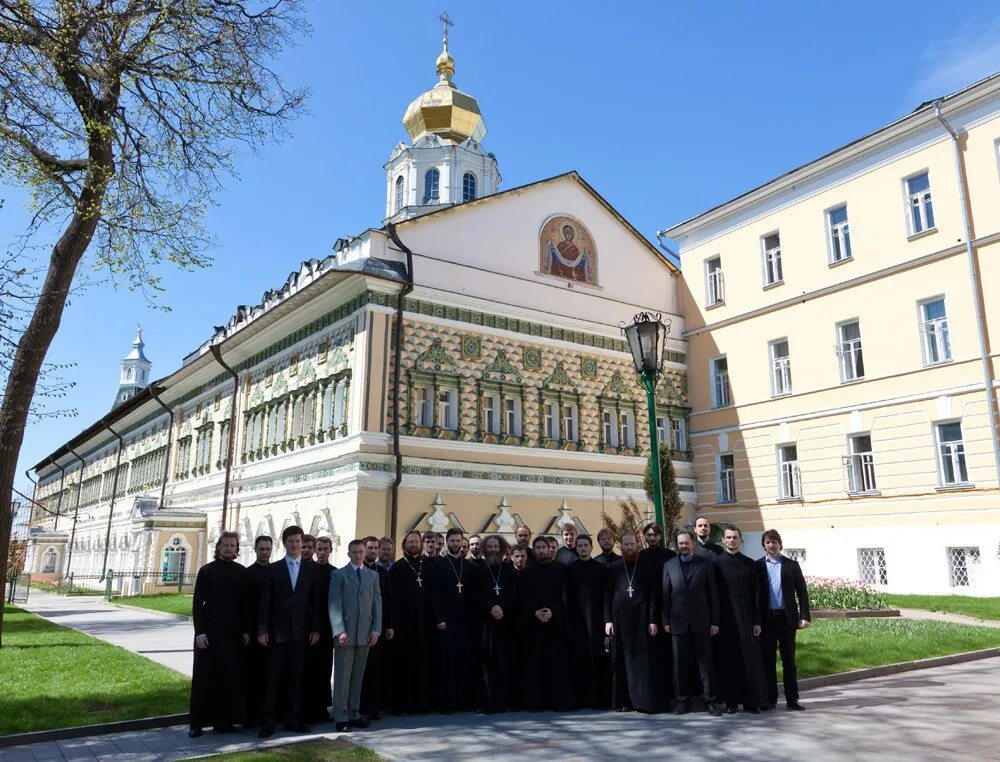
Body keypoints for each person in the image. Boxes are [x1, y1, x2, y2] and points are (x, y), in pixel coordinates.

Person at [256, 525, 322, 738]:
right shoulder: (272, 569)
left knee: (296, 678)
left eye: (298, 541)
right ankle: (269, 721)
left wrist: (316, 628)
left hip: (301, 634)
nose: (295, 545)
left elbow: (316, 602)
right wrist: (262, 629)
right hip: (277, 633)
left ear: (302, 543)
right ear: (284, 543)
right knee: (273, 678)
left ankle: (293, 720)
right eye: (291, 541)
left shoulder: (311, 569)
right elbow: (264, 602)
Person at [189, 531, 247, 737]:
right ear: (218, 547)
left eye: (233, 545)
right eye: (226, 545)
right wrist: (200, 632)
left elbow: (245, 605)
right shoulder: (207, 571)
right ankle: (196, 723)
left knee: (228, 677)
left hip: (232, 634)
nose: (229, 548)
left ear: (237, 549)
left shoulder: (242, 572)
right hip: (209, 634)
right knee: (204, 677)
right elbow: (197, 603)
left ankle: (224, 721)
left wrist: (246, 631)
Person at [662, 530, 721, 716]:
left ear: (693, 543)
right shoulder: (669, 565)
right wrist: (665, 620)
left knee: (706, 665)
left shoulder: (705, 564)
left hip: (702, 623)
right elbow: (665, 595)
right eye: (680, 543)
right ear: (676, 545)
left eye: (687, 543)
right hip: (678, 624)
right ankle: (682, 701)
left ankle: (709, 701)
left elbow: (713, 594)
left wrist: (715, 621)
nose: (683, 546)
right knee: (680, 666)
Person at [604, 531, 662, 713]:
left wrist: (653, 620)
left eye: (632, 544)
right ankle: (624, 701)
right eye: (626, 544)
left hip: (642, 619)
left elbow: (653, 596)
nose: (629, 547)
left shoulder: (646, 566)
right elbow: (607, 596)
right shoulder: (613, 568)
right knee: (621, 660)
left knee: (641, 662)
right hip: (619, 621)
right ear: (621, 546)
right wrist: (608, 621)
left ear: (637, 545)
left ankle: (642, 702)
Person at [328, 539, 382, 732]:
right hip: (346, 634)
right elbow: (334, 604)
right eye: (355, 552)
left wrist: (376, 629)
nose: (358, 555)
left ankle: (354, 713)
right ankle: (341, 716)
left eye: (361, 552)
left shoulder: (373, 575)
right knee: (343, 677)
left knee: (358, 676)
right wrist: (339, 630)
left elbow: (377, 603)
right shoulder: (338, 575)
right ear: (349, 554)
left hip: (365, 633)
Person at [757, 529, 811, 711]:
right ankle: (770, 699)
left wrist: (804, 616)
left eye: (774, 541)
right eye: (767, 542)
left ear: (780, 544)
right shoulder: (757, 566)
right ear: (763, 545)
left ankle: (792, 699)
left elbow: (802, 592)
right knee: (768, 660)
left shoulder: (792, 565)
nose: (771, 545)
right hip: (767, 619)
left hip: (787, 619)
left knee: (789, 660)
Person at [714, 527, 766, 714]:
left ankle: (752, 702)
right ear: (723, 540)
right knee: (730, 661)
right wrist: (715, 622)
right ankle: (732, 703)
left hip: (746, 617)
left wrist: (757, 622)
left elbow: (757, 595)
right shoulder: (716, 563)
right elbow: (714, 595)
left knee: (750, 661)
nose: (732, 540)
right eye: (728, 537)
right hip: (726, 619)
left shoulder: (749, 564)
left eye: (735, 537)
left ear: (740, 540)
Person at [518, 536, 574, 711]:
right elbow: (522, 597)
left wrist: (553, 612)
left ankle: (559, 703)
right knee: (535, 666)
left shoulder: (558, 570)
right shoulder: (527, 572)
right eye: (538, 547)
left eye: (544, 547)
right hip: (534, 626)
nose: (541, 550)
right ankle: (535, 703)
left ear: (550, 549)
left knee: (557, 667)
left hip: (554, 624)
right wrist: (534, 612)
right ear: (533, 550)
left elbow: (564, 596)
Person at [432, 529, 483, 712]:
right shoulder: (440, 564)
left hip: (465, 619)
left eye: (458, 541)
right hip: (447, 619)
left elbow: (473, 593)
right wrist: (439, 618)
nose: (455, 544)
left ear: (463, 543)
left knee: (464, 660)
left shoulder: (468, 565)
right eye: (452, 540)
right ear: (447, 542)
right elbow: (435, 593)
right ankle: (448, 702)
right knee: (448, 663)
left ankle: (464, 701)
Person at [387, 531, 435, 714]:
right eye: (410, 541)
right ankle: (403, 705)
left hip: (425, 622)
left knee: (424, 663)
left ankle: (423, 704)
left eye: (416, 541)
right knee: (404, 664)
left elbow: (435, 595)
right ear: (404, 544)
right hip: (404, 624)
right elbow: (391, 598)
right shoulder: (397, 568)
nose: (414, 544)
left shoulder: (429, 567)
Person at [565, 534, 608, 709]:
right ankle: (580, 699)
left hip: (596, 620)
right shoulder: (570, 569)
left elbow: (606, 596)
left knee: (596, 659)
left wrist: (606, 621)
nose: (582, 548)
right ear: (576, 548)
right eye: (579, 545)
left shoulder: (601, 569)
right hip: (577, 620)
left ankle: (597, 699)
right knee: (578, 659)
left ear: (591, 547)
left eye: (585, 545)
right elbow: (566, 597)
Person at [477, 535, 518, 713]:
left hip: (506, 623)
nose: (493, 549)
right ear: (485, 549)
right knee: (487, 663)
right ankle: (488, 702)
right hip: (486, 623)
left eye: (496, 546)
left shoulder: (509, 571)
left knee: (505, 661)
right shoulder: (478, 570)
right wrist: (490, 607)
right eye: (490, 546)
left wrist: (504, 608)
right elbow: (475, 594)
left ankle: (505, 701)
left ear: (501, 549)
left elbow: (515, 595)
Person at [638, 522, 676, 707]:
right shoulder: (641, 556)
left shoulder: (669, 555)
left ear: (660, 536)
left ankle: (671, 693)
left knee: (668, 652)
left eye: (655, 535)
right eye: (649, 535)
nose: (651, 538)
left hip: (666, 606)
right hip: (646, 608)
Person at [304, 536, 335, 724]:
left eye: (326, 549)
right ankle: (307, 709)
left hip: (327, 627)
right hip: (309, 627)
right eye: (319, 549)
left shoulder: (335, 573)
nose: (322, 552)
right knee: (307, 670)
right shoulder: (309, 570)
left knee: (324, 669)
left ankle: (322, 708)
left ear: (331, 550)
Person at [360, 536, 391, 721]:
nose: (373, 551)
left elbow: (389, 601)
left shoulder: (383, 573)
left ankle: (372, 706)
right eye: (369, 547)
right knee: (359, 670)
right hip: (359, 626)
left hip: (378, 627)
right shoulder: (356, 570)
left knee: (375, 668)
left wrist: (390, 625)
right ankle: (356, 706)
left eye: (375, 548)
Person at [243, 535, 272, 728]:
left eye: (268, 549)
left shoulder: (276, 571)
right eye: (261, 549)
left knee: (270, 675)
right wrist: (246, 630)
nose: (264, 552)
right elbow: (245, 605)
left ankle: (268, 714)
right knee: (252, 675)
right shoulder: (248, 574)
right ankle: (250, 715)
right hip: (252, 632)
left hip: (272, 632)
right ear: (255, 550)